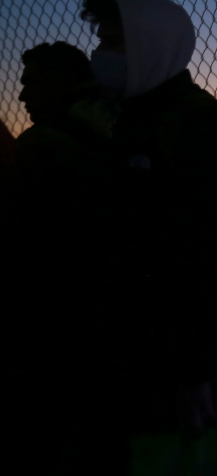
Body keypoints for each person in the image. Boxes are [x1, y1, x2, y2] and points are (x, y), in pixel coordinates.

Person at [79, 0, 217, 462]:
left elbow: (210, 258)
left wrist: (194, 371)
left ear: (150, 48)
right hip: (145, 351)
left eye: (113, 43)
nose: (100, 55)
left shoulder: (202, 132)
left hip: (177, 364)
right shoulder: (137, 121)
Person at [11, 42, 117, 473]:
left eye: (33, 84)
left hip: (48, 335)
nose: (22, 96)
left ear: (63, 84)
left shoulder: (42, 148)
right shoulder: (113, 137)